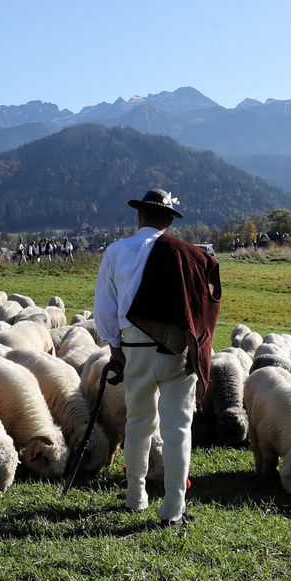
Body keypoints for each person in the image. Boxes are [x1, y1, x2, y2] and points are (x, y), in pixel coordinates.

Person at [93, 188, 221, 527]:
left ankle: (136, 497)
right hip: (176, 350)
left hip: (133, 350)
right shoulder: (186, 254)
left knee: (138, 423)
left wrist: (115, 350)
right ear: (168, 221)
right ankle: (173, 508)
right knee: (178, 427)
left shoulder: (116, 252)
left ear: (140, 216)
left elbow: (104, 308)